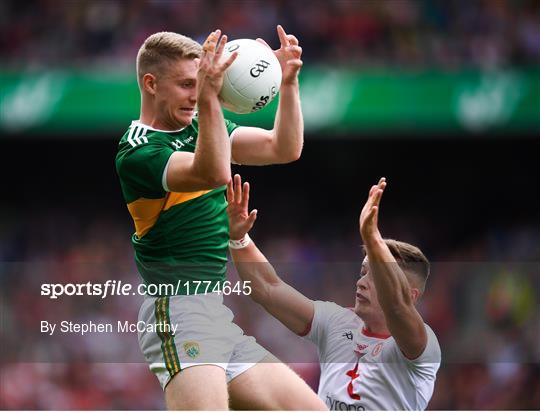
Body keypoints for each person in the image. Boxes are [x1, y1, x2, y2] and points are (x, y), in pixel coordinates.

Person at [115, 28, 326, 410]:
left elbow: (284, 147)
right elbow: (212, 171)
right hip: (177, 310)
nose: (196, 94)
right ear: (150, 83)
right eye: (185, 84)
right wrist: (212, 97)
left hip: (214, 312)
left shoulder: (201, 126)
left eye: (200, 83)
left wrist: (288, 82)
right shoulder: (138, 151)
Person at [227, 175, 442, 410]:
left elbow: (397, 307)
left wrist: (373, 240)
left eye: (376, 276)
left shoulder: (422, 345)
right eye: (363, 272)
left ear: (411, 295)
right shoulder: (336, 322)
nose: (361, 283)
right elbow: (268, 288)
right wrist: (239, 238)